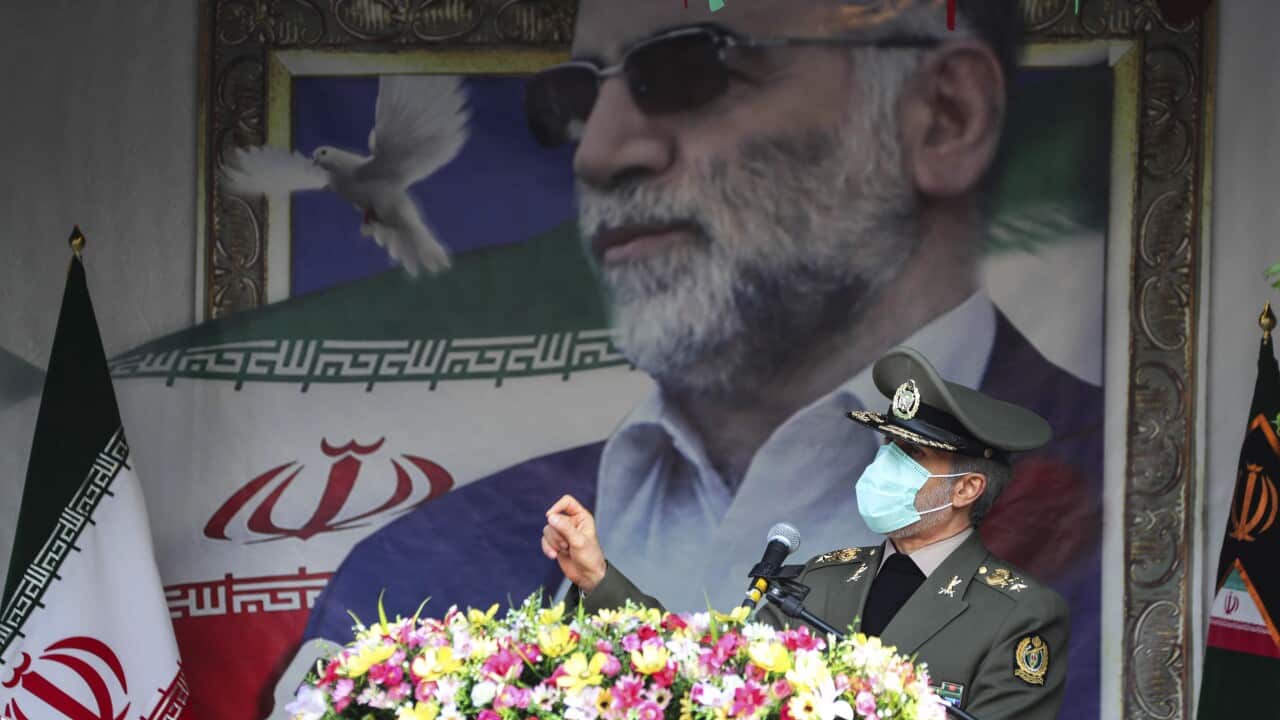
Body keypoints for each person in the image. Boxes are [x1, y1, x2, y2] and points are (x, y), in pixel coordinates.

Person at [306, 0, 1101, 713]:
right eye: (577, 99)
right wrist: (596, 581)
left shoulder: (1116, 522)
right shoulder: (414, 579)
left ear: (944, 115)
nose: (596, 153)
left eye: (690, 67)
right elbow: (697, 663)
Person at [546, 346, 1068, 719]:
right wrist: (597, 577)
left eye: (911, 453)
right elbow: (709, 675)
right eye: (887, 446)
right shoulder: (817, 581)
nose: (887, 463)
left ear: (967, 488)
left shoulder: (1020, 612)